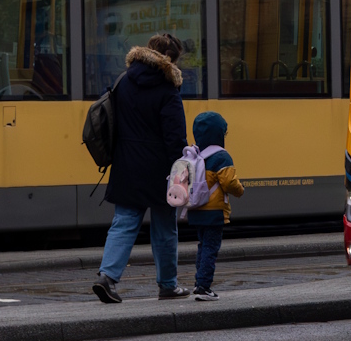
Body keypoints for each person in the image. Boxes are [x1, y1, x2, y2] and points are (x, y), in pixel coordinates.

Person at [94, 32, 191, 303]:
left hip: (126, 165)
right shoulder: (168, 90)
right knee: (165, 229)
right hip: (160, 170)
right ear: (170, 59)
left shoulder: (124, 81)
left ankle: (107, 277)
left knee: (123, 224)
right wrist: (182, 170)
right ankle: (168, 285)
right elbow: (175, 138)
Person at [181, 110, 246, 300]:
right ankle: (203, 286)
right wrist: (240, 190)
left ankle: (199, 282)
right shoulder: (221, 157)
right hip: (213, 212)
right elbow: (229, 182)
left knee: (203, 247)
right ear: (219, 133)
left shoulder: (195, 154)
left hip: (195, 210)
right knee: (210, 248)